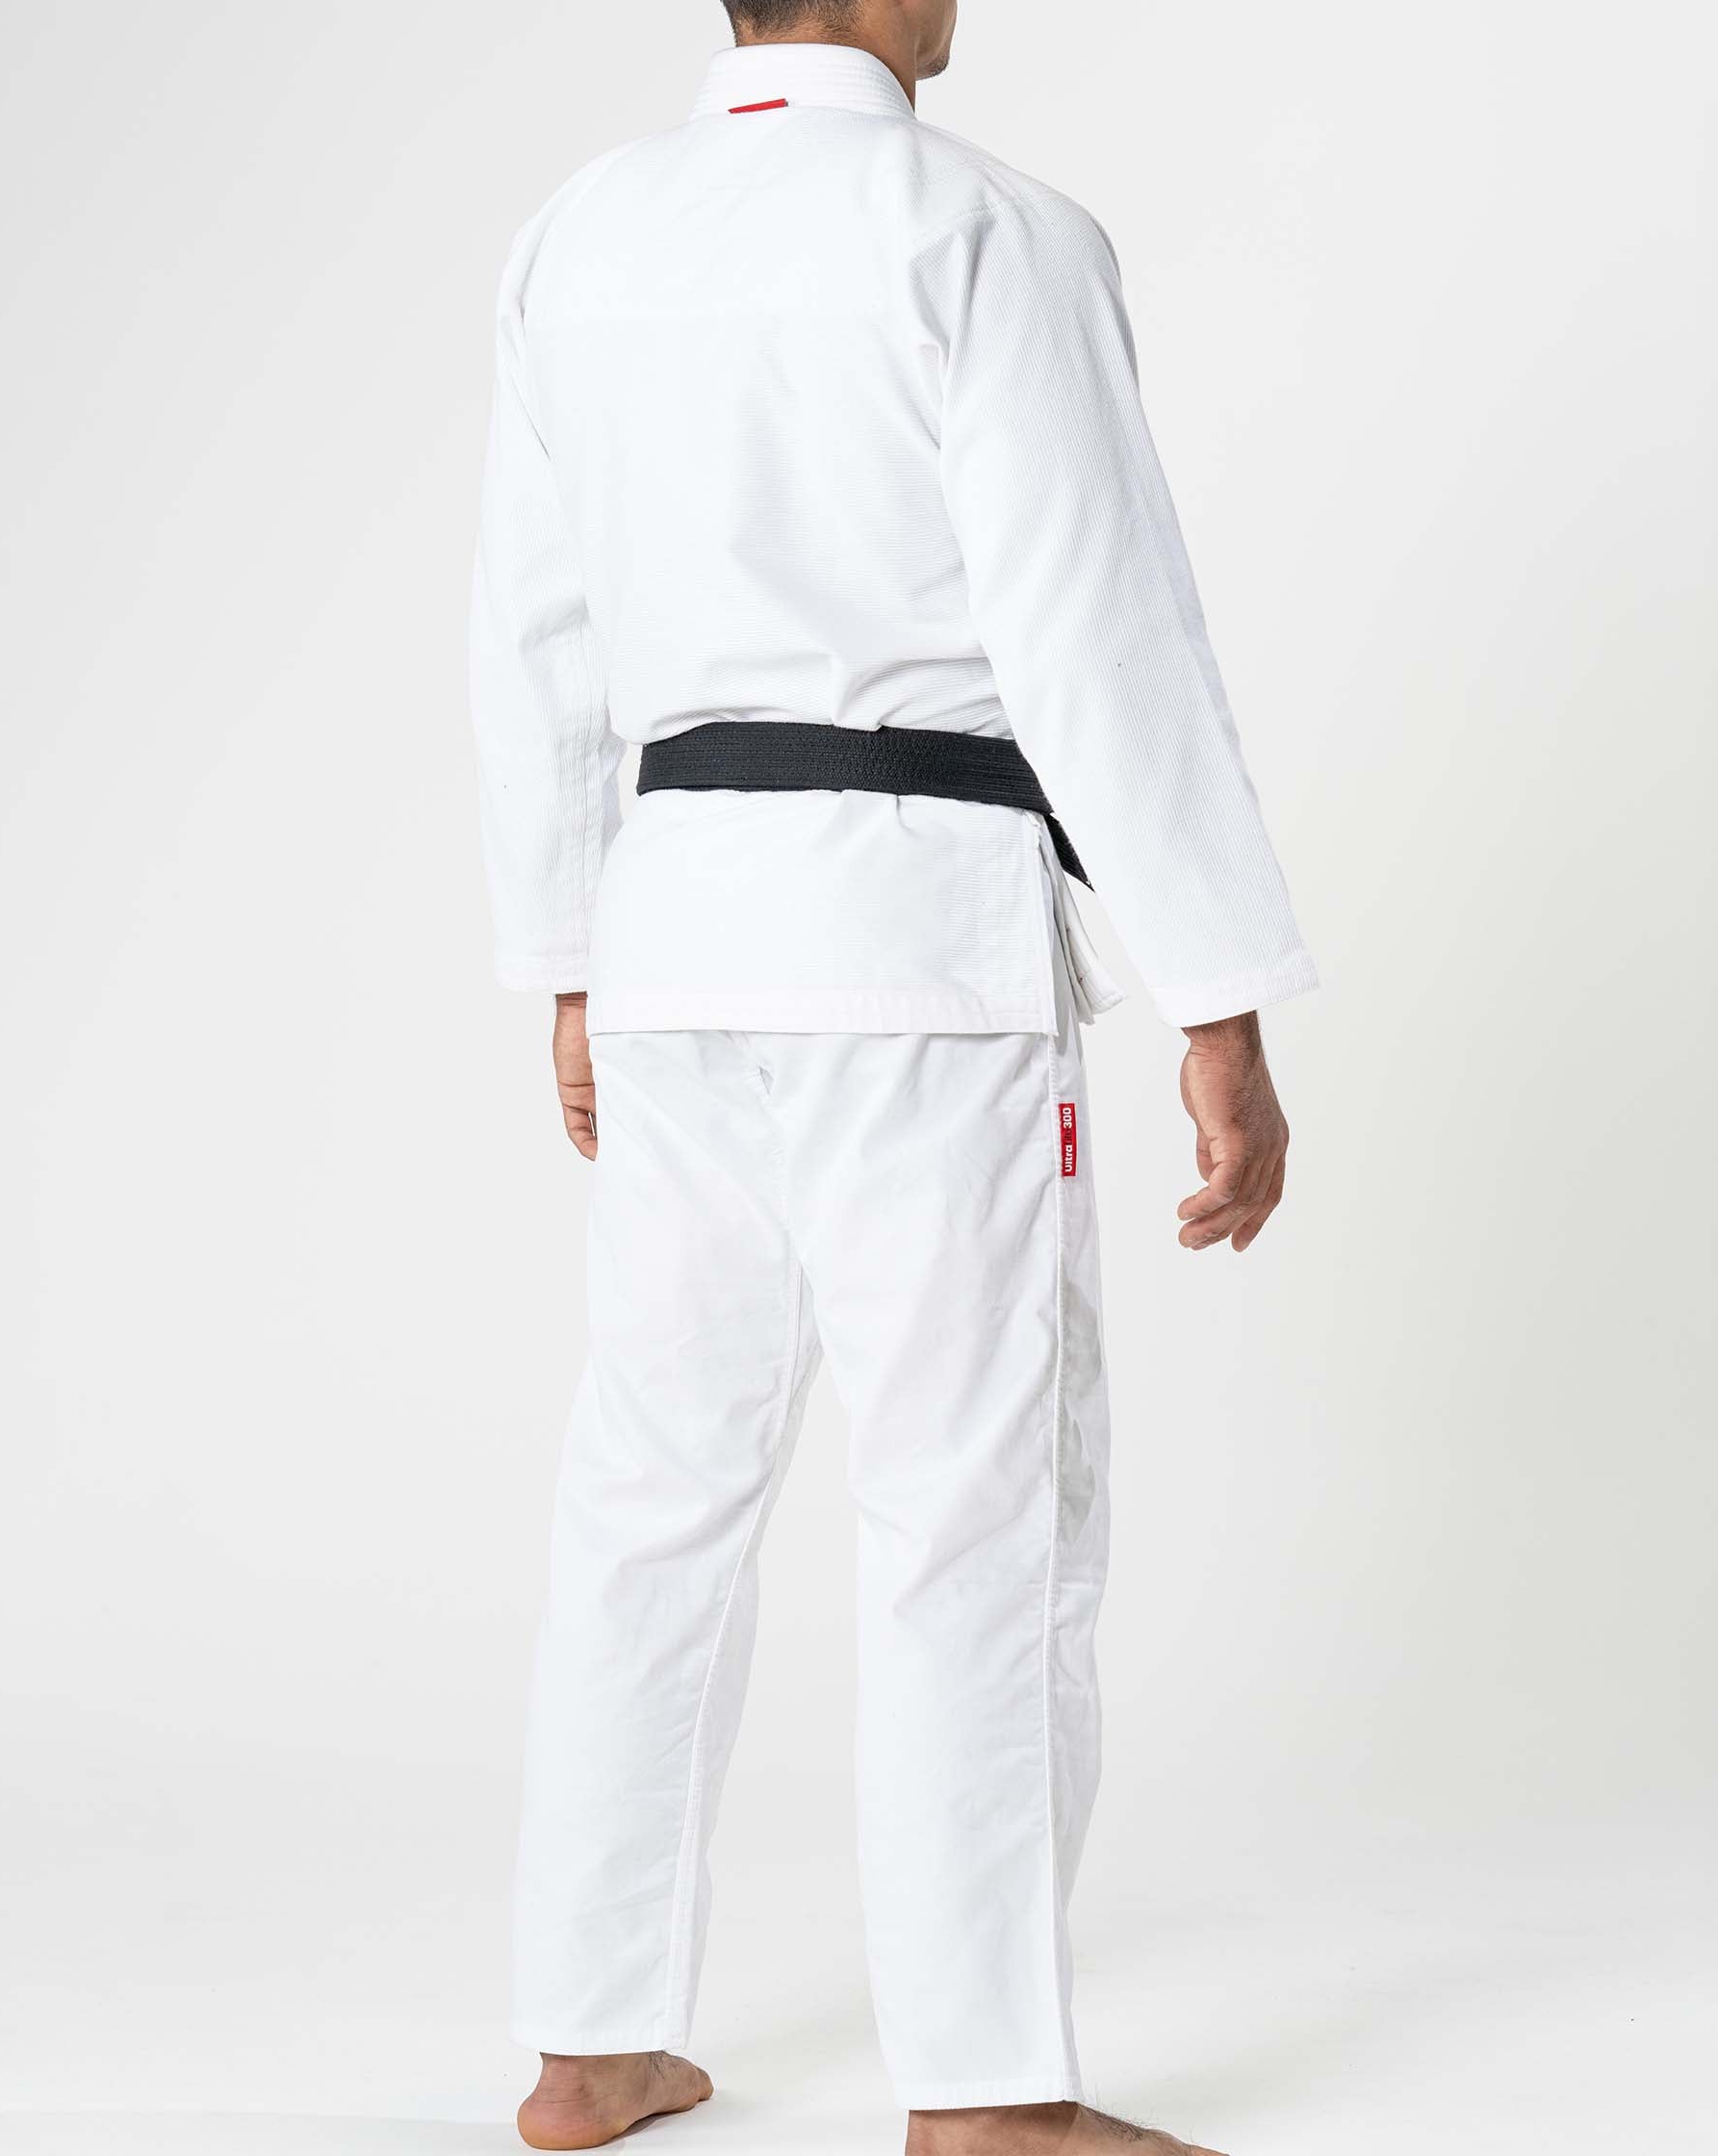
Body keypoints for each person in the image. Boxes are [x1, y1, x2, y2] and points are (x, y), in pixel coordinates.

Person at [469, 2, 1317, 2147]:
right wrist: (1212, 989)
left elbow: (533, 627)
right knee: (975, 1513)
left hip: (670, 928)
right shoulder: (982, 228)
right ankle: (989, 2097)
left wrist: (567, 945)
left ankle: (591, 2041)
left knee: (649, 1497)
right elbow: (1098, 620)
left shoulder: (583, 233)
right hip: (913, 943)